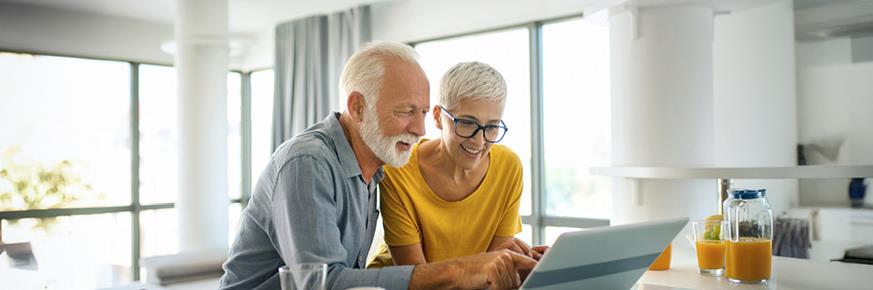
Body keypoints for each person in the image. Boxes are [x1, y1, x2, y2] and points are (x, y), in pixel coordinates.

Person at [219, 42, 536, 290]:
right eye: (405, 111)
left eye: (423, 112)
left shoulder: (375, 166)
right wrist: (462, 270)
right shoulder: (309, 163)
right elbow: (320, 283)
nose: (420, 130)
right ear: (357, 107)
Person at [371, 62, 547, 268]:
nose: (479, 141)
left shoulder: (508, 167)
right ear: (437, 117)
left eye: (491, 127)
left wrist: (535, 265)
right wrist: (487, 268)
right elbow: (415, 277)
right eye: (467, 123)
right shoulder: (398, 168)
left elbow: (495, 270)